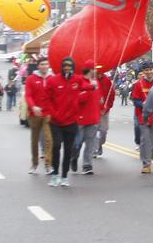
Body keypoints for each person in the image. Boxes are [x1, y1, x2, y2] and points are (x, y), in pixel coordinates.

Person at [46, 57, 94, 187]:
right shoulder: (53, 80)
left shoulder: (77, 79)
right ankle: (55, 174)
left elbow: (84, 85)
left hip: (71, 122)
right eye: (65, 66)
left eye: (70, 66)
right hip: (56, 122)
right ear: (62, 67)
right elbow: (47, 98)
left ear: (73, 68)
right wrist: (52, 113)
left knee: (68, 150)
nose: (67, 68)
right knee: (56, 147)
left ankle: (64, 176)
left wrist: (92, 85)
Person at [131, 60, 153, 173]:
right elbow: (135, 100)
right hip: (143, 117)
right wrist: (143, 104)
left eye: (150, 69)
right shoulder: (138, 84)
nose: (149, 72)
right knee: (145, 141)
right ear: (143, 71)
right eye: (146, 70)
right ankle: (146, 164)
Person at [25, 58, 54, 174]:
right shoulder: (31, 79)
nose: (44, 66)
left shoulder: (52, 78)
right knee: (34, 140)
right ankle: (34, 163)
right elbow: (28, 95)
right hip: (34, 114)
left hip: (48, 114)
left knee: (48, 139)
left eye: (46, 64)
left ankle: (48, 164)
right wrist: (33, 106)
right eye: (42, 64)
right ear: (38, 66)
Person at [73, 60, 101, 175]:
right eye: (95, 68)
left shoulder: (96, 82)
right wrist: (88, 90)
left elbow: (98, 98)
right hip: (80, 118)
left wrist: (102, 105)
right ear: (90, 70)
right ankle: (73, 157)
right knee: (77, 143)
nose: (97, 71)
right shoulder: (79, 80)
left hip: (93, 118)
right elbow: (77, 99)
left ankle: (87, 165)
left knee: (90, 143)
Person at [96, 65, 115, 157]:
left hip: (104, 111)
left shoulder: (107, 81)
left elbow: (111, 96)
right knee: (93, 132)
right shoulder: (91, 80)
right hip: (93, 111)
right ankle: (95, 147)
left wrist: (107, 108)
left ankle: (99, 144)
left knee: (103, 131)